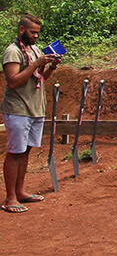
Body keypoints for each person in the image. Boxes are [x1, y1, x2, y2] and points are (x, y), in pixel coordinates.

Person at [1, 14, 61, 213]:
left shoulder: (34, 50)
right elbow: (13, 81)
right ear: (21, 30)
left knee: (25, 151)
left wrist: (51, 66)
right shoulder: (12, 52)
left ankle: (20, 191)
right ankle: (10, 198)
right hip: (18, 109)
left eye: (37, 33)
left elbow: (39, 79)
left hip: (34, 109)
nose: (35, 36)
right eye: (32, 32)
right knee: (15, 152)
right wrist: (35, 64)